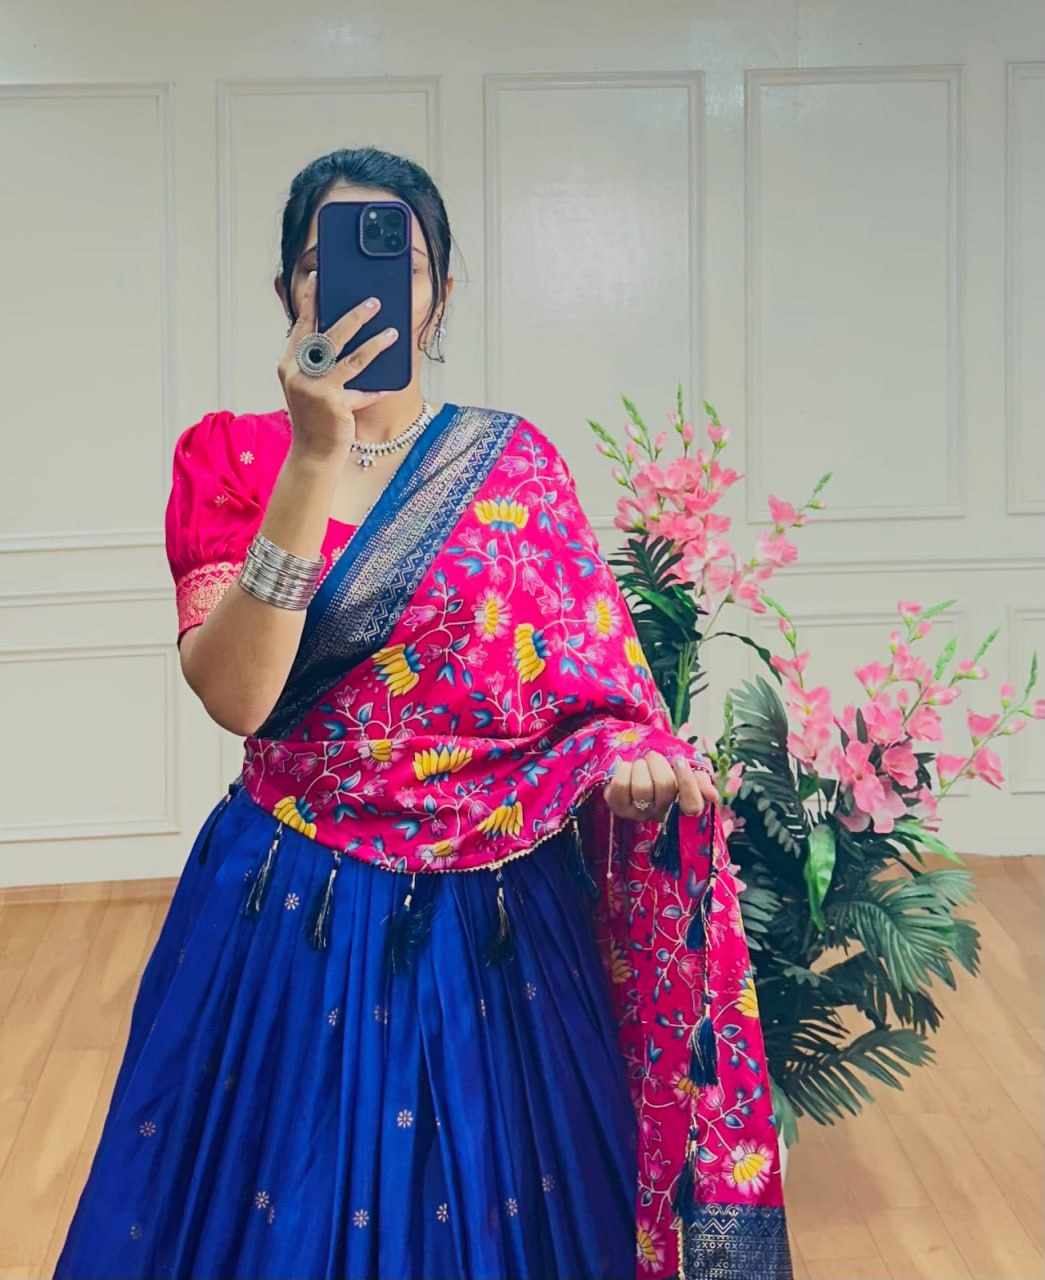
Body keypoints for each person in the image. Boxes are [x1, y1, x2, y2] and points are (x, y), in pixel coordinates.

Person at [52, 147, 794, 1280]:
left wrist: (630, 762)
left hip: (495, 922)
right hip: (292, 902)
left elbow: (592, 694)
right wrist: (316, 452)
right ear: (287, 292)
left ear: (439, 296)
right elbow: (237, 695)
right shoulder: (234, 454)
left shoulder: (513, 466)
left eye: (397, 263)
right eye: (324, 263)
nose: (357, 286)